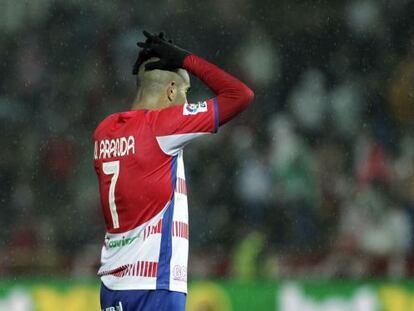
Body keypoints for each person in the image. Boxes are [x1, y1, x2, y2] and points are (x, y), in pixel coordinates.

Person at [93, 31, 254, 311]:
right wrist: (185, 59)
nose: (185, 99)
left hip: (112, 287)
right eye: (185, 92)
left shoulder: (104, 131)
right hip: (155, 284)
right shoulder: (163, 126)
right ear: (170, 91)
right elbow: (240, 95)